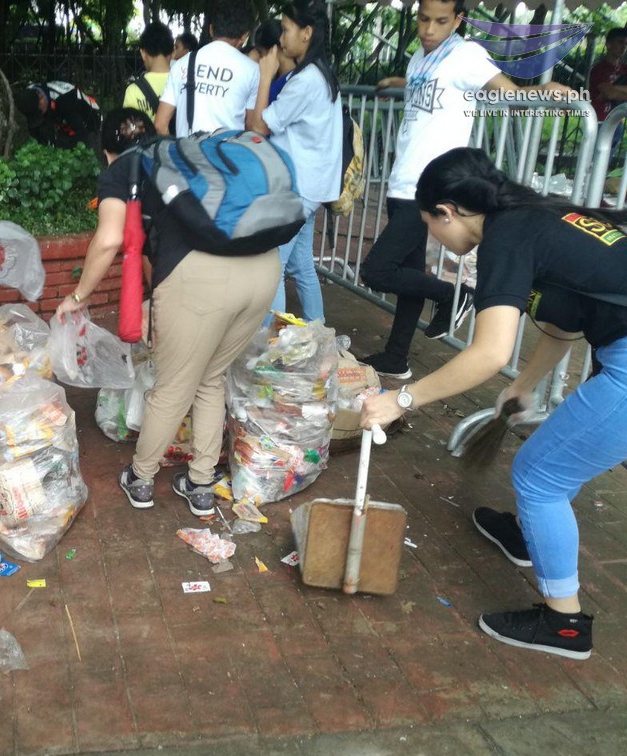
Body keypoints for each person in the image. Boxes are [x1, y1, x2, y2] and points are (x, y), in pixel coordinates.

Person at [362, 146, 627, 661]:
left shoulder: (505, 239)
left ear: (447, 211)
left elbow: (488, 353)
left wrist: (402, 399)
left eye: (429, 225)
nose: (434, 237)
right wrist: (525, 383)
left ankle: (565, 625)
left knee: (539, 476)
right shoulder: (536, 217)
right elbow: (566, 319)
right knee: (558, 459)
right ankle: (534, 535)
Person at [54, 108, 281, 517]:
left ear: (106, 151)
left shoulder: (122, 170)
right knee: (210, 377)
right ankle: (201, 484)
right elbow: (155, 242)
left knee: (173, 386)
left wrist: (79, 295)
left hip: (203, 279)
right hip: (264, 268)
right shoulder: (184, 155)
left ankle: (141, 478)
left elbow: (109, 240)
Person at [358, 0, 574, 380]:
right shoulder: (419, 58)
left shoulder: (467, 55)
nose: (429, 30)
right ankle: (396, 357)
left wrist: (543, 91)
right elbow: (435, 88)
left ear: (458, 20)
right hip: (401, 179)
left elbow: (508, 93)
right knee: (409, 274)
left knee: (377, 270)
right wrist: (398, 83)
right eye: (423, 19)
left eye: (441, 21)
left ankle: (452, 294)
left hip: (428, 186)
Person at [251, 0, 341, 323]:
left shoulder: (305, 81)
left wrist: (265, 77)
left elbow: (259, 127)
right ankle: (318, 331)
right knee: (301, 263)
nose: (281, 38)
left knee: (270, 267)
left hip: (299, 188)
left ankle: (269, 343)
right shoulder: (320, 74)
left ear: (306, 33)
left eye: (286, 29)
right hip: (311, 187)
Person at [155, 1, 259, 136]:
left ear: (211, 29)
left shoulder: (182, 64)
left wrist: (177, 148)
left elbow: (160, 125)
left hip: (186, 148)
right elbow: (252, 128)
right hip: (228, 149)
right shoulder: (252, 70)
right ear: (244, 36)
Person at [14, 82, 101, 151]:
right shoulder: (30, 92)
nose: (40, 114)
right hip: (62, 119)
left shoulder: (65, 100)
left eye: (39, 111)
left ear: (41, 97)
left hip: (91, 125)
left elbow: (81, 133)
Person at [123, 22, 174, 121]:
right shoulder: (184, 84)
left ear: (143, 53)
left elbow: (129, 127)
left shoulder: (133, 91)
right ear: (173, 52)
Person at [248, 19, 296, 103]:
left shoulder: (293, 82)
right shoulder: (276, 77)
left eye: (260, 53)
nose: (260, 59)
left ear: (273, 49)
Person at [589, 27, 627, 124]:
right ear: (608, 44)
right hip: (600, 121)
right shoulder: (599, 69)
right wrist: (614, 90)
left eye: (626, 44)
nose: (624, 47)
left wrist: (614, 87)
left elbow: (611, 92)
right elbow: (610, 94)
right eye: (620, 42)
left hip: (618, 122)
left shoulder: (624, 69)